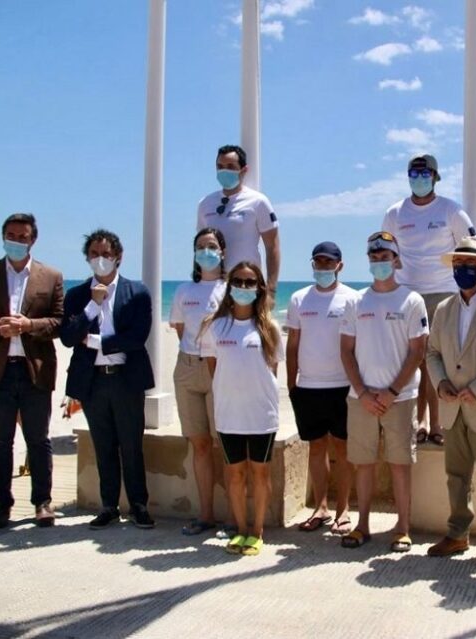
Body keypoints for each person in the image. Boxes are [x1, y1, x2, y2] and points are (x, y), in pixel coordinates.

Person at [0, 212, 64, 528]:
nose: (17, 241)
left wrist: (29, 325)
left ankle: (42, 503)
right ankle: (2, 504)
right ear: (3, 237)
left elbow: (60, 322)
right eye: (11, 235)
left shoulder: (51, 276)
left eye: (23, 236)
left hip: (35, 370)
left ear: (33, 239)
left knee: (39, 439)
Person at [60, 229, 156, 530]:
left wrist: (97, 341)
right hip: (93, 382)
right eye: (94, 254)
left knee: (131, 445)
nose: (100, 259)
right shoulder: (76, 295)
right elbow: (67, 337)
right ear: (88, 258)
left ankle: (139, 505)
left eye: (106, 254)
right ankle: (109, 506)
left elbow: (137, 337)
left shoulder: (137, 292)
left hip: (126, 379)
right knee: (103, 445)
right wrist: (92, 305)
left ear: (118, 257)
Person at [339, 231, 428, 552]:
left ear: (397, 260)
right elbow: (346, 350)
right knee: (363, 463)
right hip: (360, 398)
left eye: (385, 256)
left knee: (400, 463)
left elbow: (417, 352)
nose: (380, 262)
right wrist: (362, 392)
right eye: (374, 257)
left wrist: (391, 391)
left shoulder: (412, 300)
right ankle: (361, 525)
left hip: (400, 399)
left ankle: (402, 528)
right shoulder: (355, 301)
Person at [382, 154, 476, 446]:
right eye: (414, 174)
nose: (419, 179)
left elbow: (472, 247)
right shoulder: (395, 213)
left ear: (435, 177)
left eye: (425, 175)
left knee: (437, 362)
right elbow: (385, 249)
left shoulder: (452, 211)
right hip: (406, 296)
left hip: (444, 294)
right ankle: (418, 421)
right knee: (413, 361)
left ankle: (438, 424)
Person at [424, 236, 476, 569]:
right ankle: (457, 533)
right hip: (451, 407)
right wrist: (440, 381)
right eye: (458, 264)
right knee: (456, 475)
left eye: (470, 264)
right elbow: (432, 353)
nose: (463, 270)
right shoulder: (444, 309)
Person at [206, 261, 284, 556]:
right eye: (237, 281)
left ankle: (258, 531)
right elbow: (214, 366)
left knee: (259, 474)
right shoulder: (216, 326)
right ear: (230, 286)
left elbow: (272, 370)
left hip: (261, 416)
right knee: (234, 475)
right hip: (229, 416)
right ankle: (240, 530)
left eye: (250, 282)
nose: (243, 287)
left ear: (259, 288)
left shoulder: (269, 328)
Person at [286, 242, 359, 535]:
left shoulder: (353, 299)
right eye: (318, 262)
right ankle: (321, 507)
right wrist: (292, 385)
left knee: (342, 449)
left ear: (340, 266)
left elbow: (358, 346)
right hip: (308, 388)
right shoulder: (298, 298)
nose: (323, 268)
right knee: (315, 449)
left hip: (342, 386)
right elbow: (292, 345)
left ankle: (343, 510)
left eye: (329, 263)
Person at [169, 228, 228, 536]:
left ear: (223, 251)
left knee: (226, 444)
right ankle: (205, 515)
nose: (207, 251)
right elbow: (180, 329)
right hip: (188, 368)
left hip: (221, 369)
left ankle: (234, 519)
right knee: (201, 444)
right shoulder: (183, 291)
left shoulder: (231, 288)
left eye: (212, 246)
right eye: (201, 246)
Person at [196, 144, 280, 299]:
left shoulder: (258, 201)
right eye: (220, 166)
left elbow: (272, 247)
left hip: (246, 285)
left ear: (244, 170)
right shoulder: (205, 203)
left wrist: (271, 289)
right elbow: (200, 246)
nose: (224, 171)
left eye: (230, 166)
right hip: (213, 287)